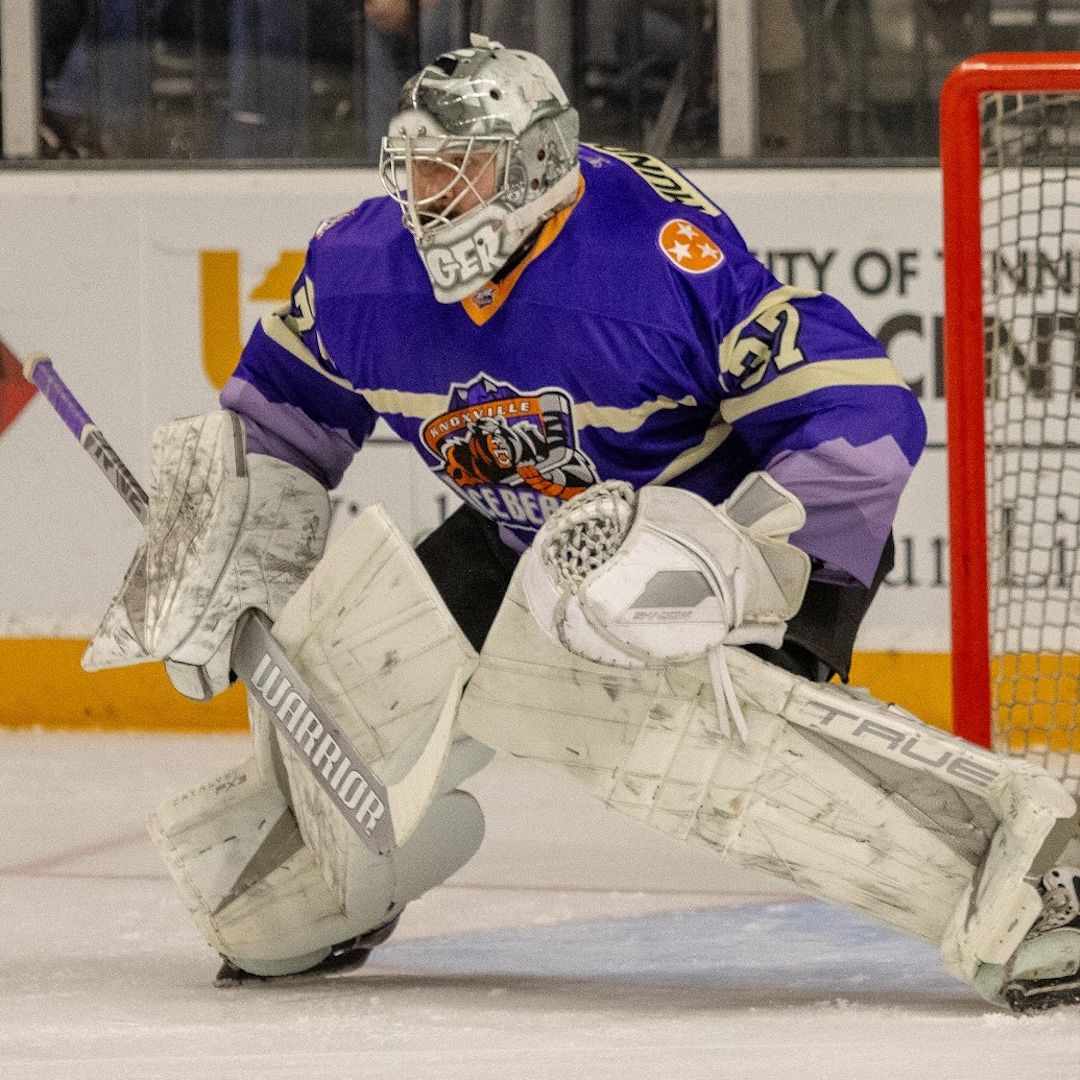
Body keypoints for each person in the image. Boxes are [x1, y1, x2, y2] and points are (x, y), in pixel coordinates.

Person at [84, 35, 1080, 1011]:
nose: (430, 200)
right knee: (334, 700)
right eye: (419, 170)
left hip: (707, 540)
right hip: (515, 539)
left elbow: (861, 411)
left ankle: (1032, 894)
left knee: (698, 743)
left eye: (460, 173)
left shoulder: (650, 266)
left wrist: (760, 576)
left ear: (538, 169)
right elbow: (274, 424)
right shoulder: (359, 272)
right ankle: (323, 898)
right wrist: (219, 552)